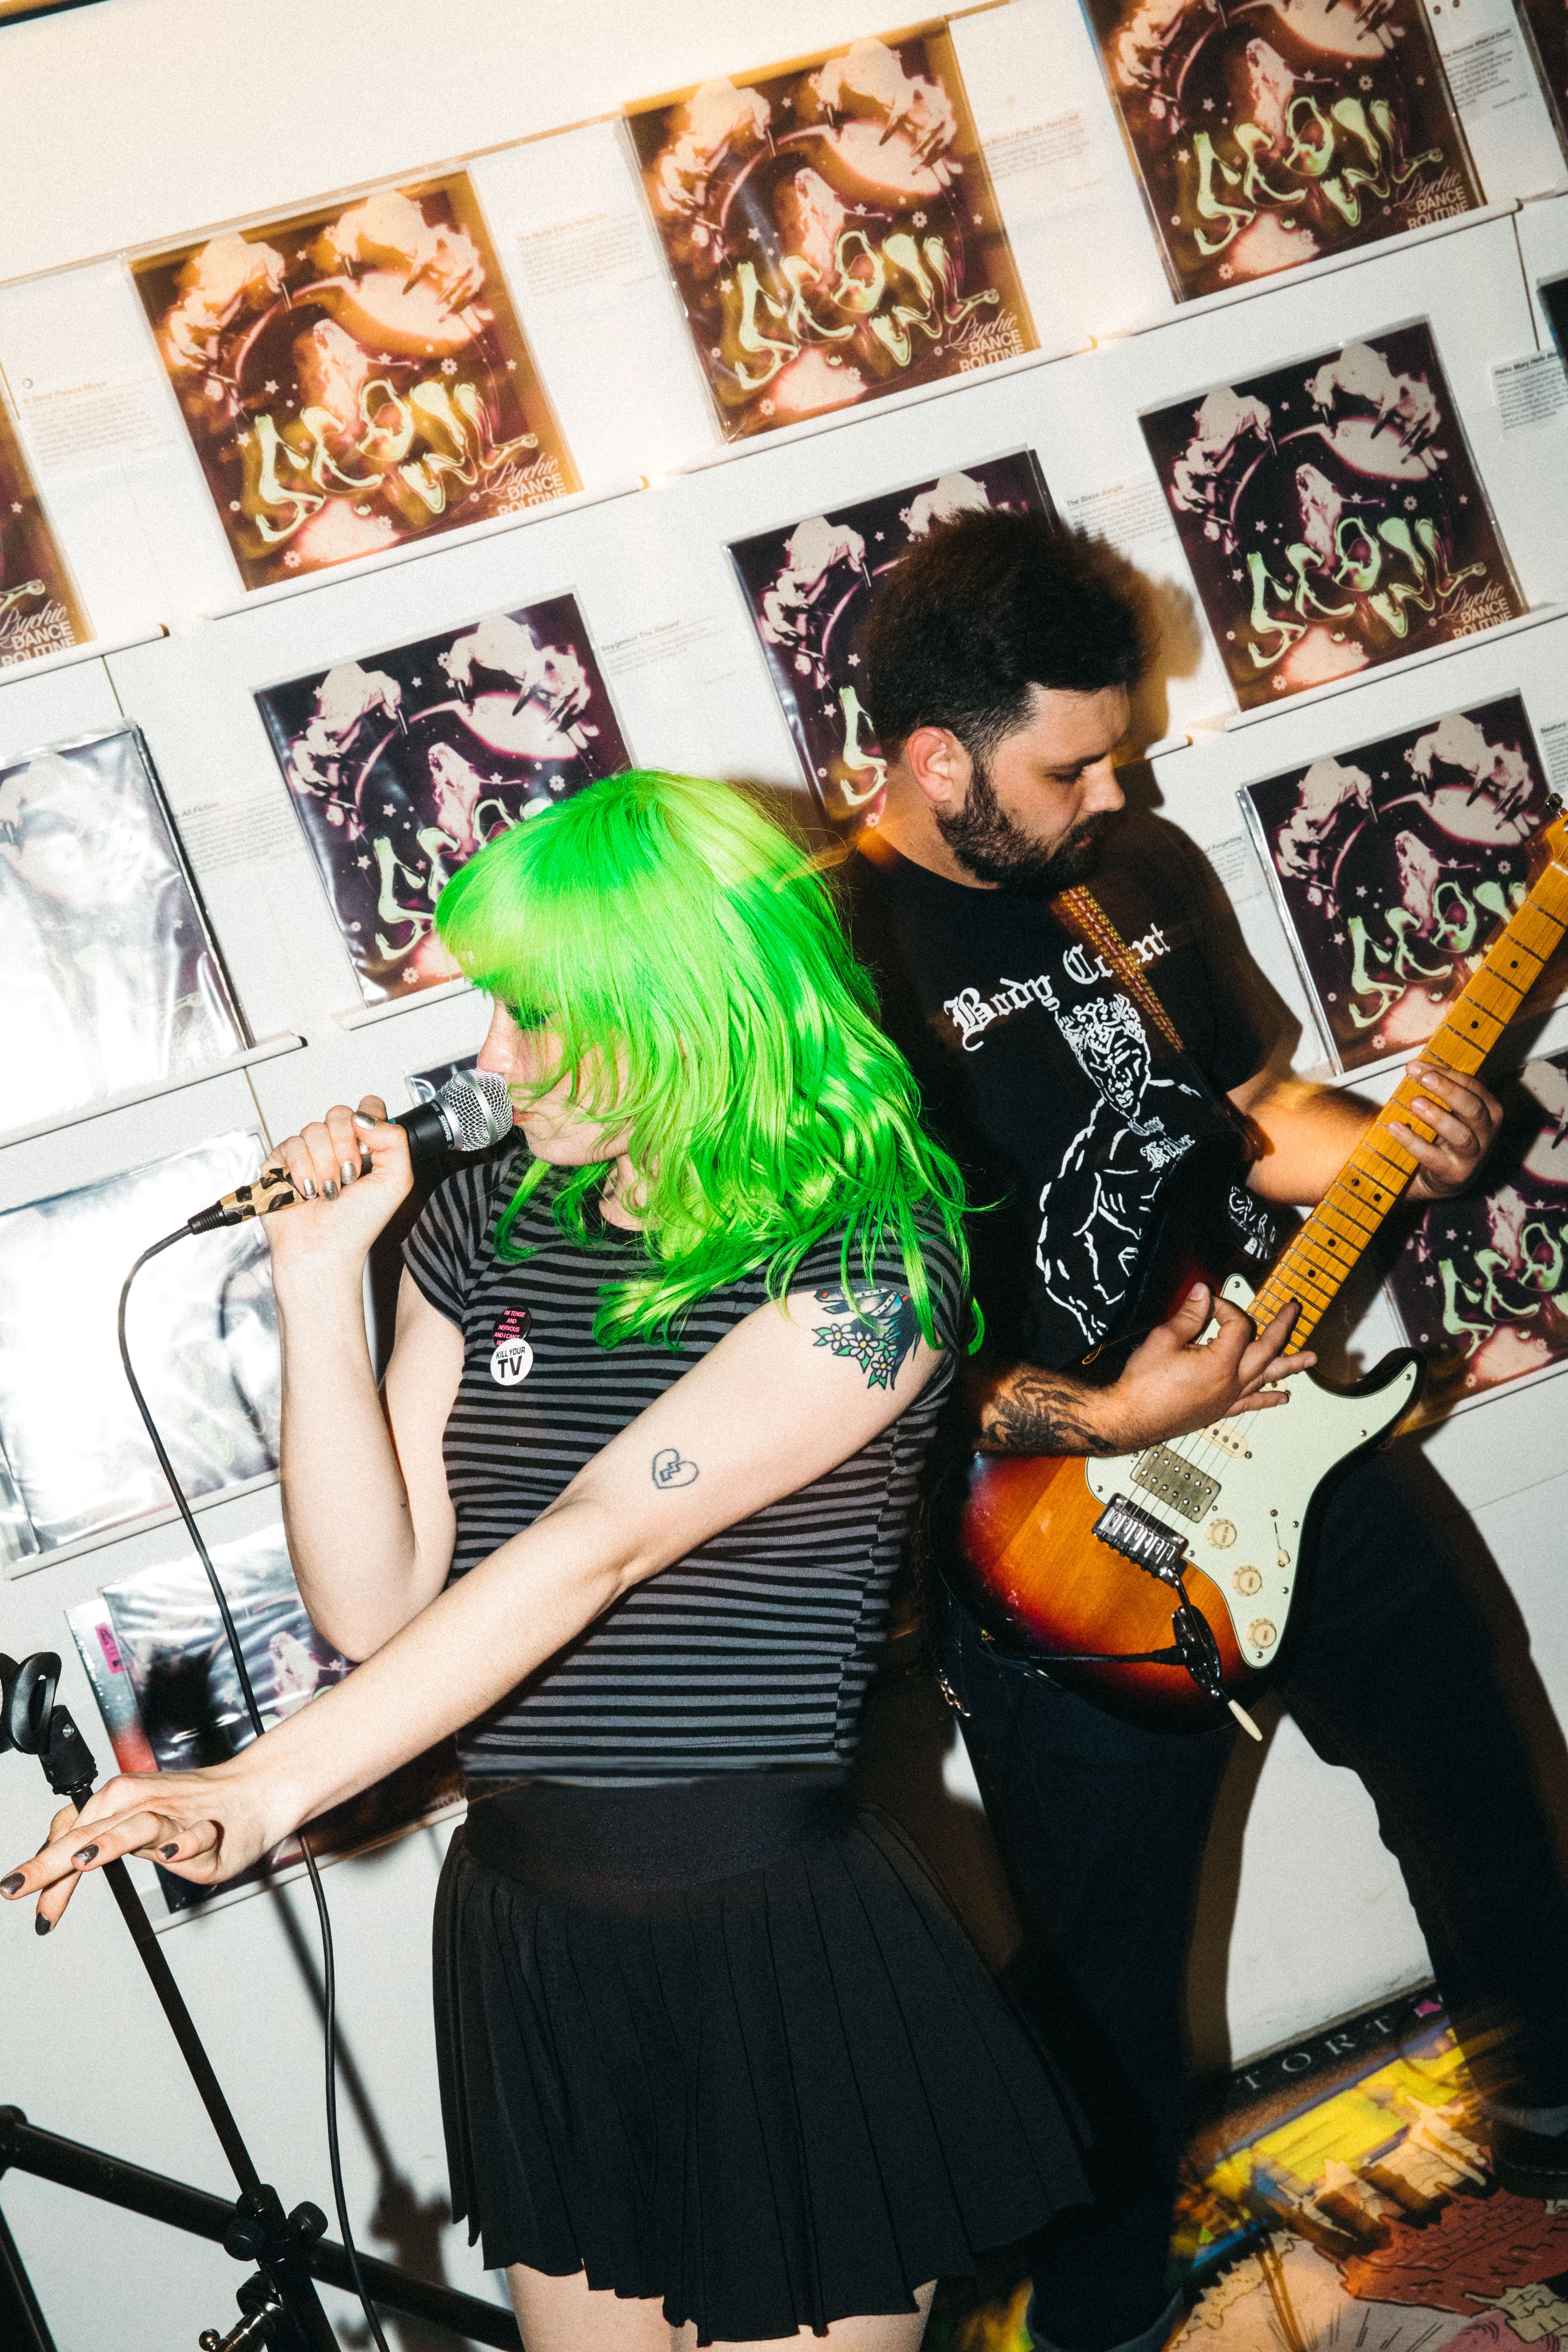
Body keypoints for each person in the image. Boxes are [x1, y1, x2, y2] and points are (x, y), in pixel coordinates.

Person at [4, 769, 1091, 2352]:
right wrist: (321, 1278)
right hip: (531, 1932)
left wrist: (263, 1787)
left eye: (532, 1012)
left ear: (689, 1005)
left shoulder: (875, 1259)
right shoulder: (485, 1226)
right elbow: (375, 1606)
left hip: (763, 1932)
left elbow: (597, 1543)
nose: (488, 1057)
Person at [840, 509, 1568, 2352]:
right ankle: (1084, 2325)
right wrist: (1097, 1406)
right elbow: (848, 1319)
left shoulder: (1133, 865)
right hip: (1059, 1537)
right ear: (938, 762)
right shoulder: (831, 963)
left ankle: (1553, 2133)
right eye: (1071, 759)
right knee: (1107, 1992)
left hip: (1292, 1438)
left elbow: (1258, 1110)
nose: (1118, 785)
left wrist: (1396, 1137)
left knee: (1481, 1782)